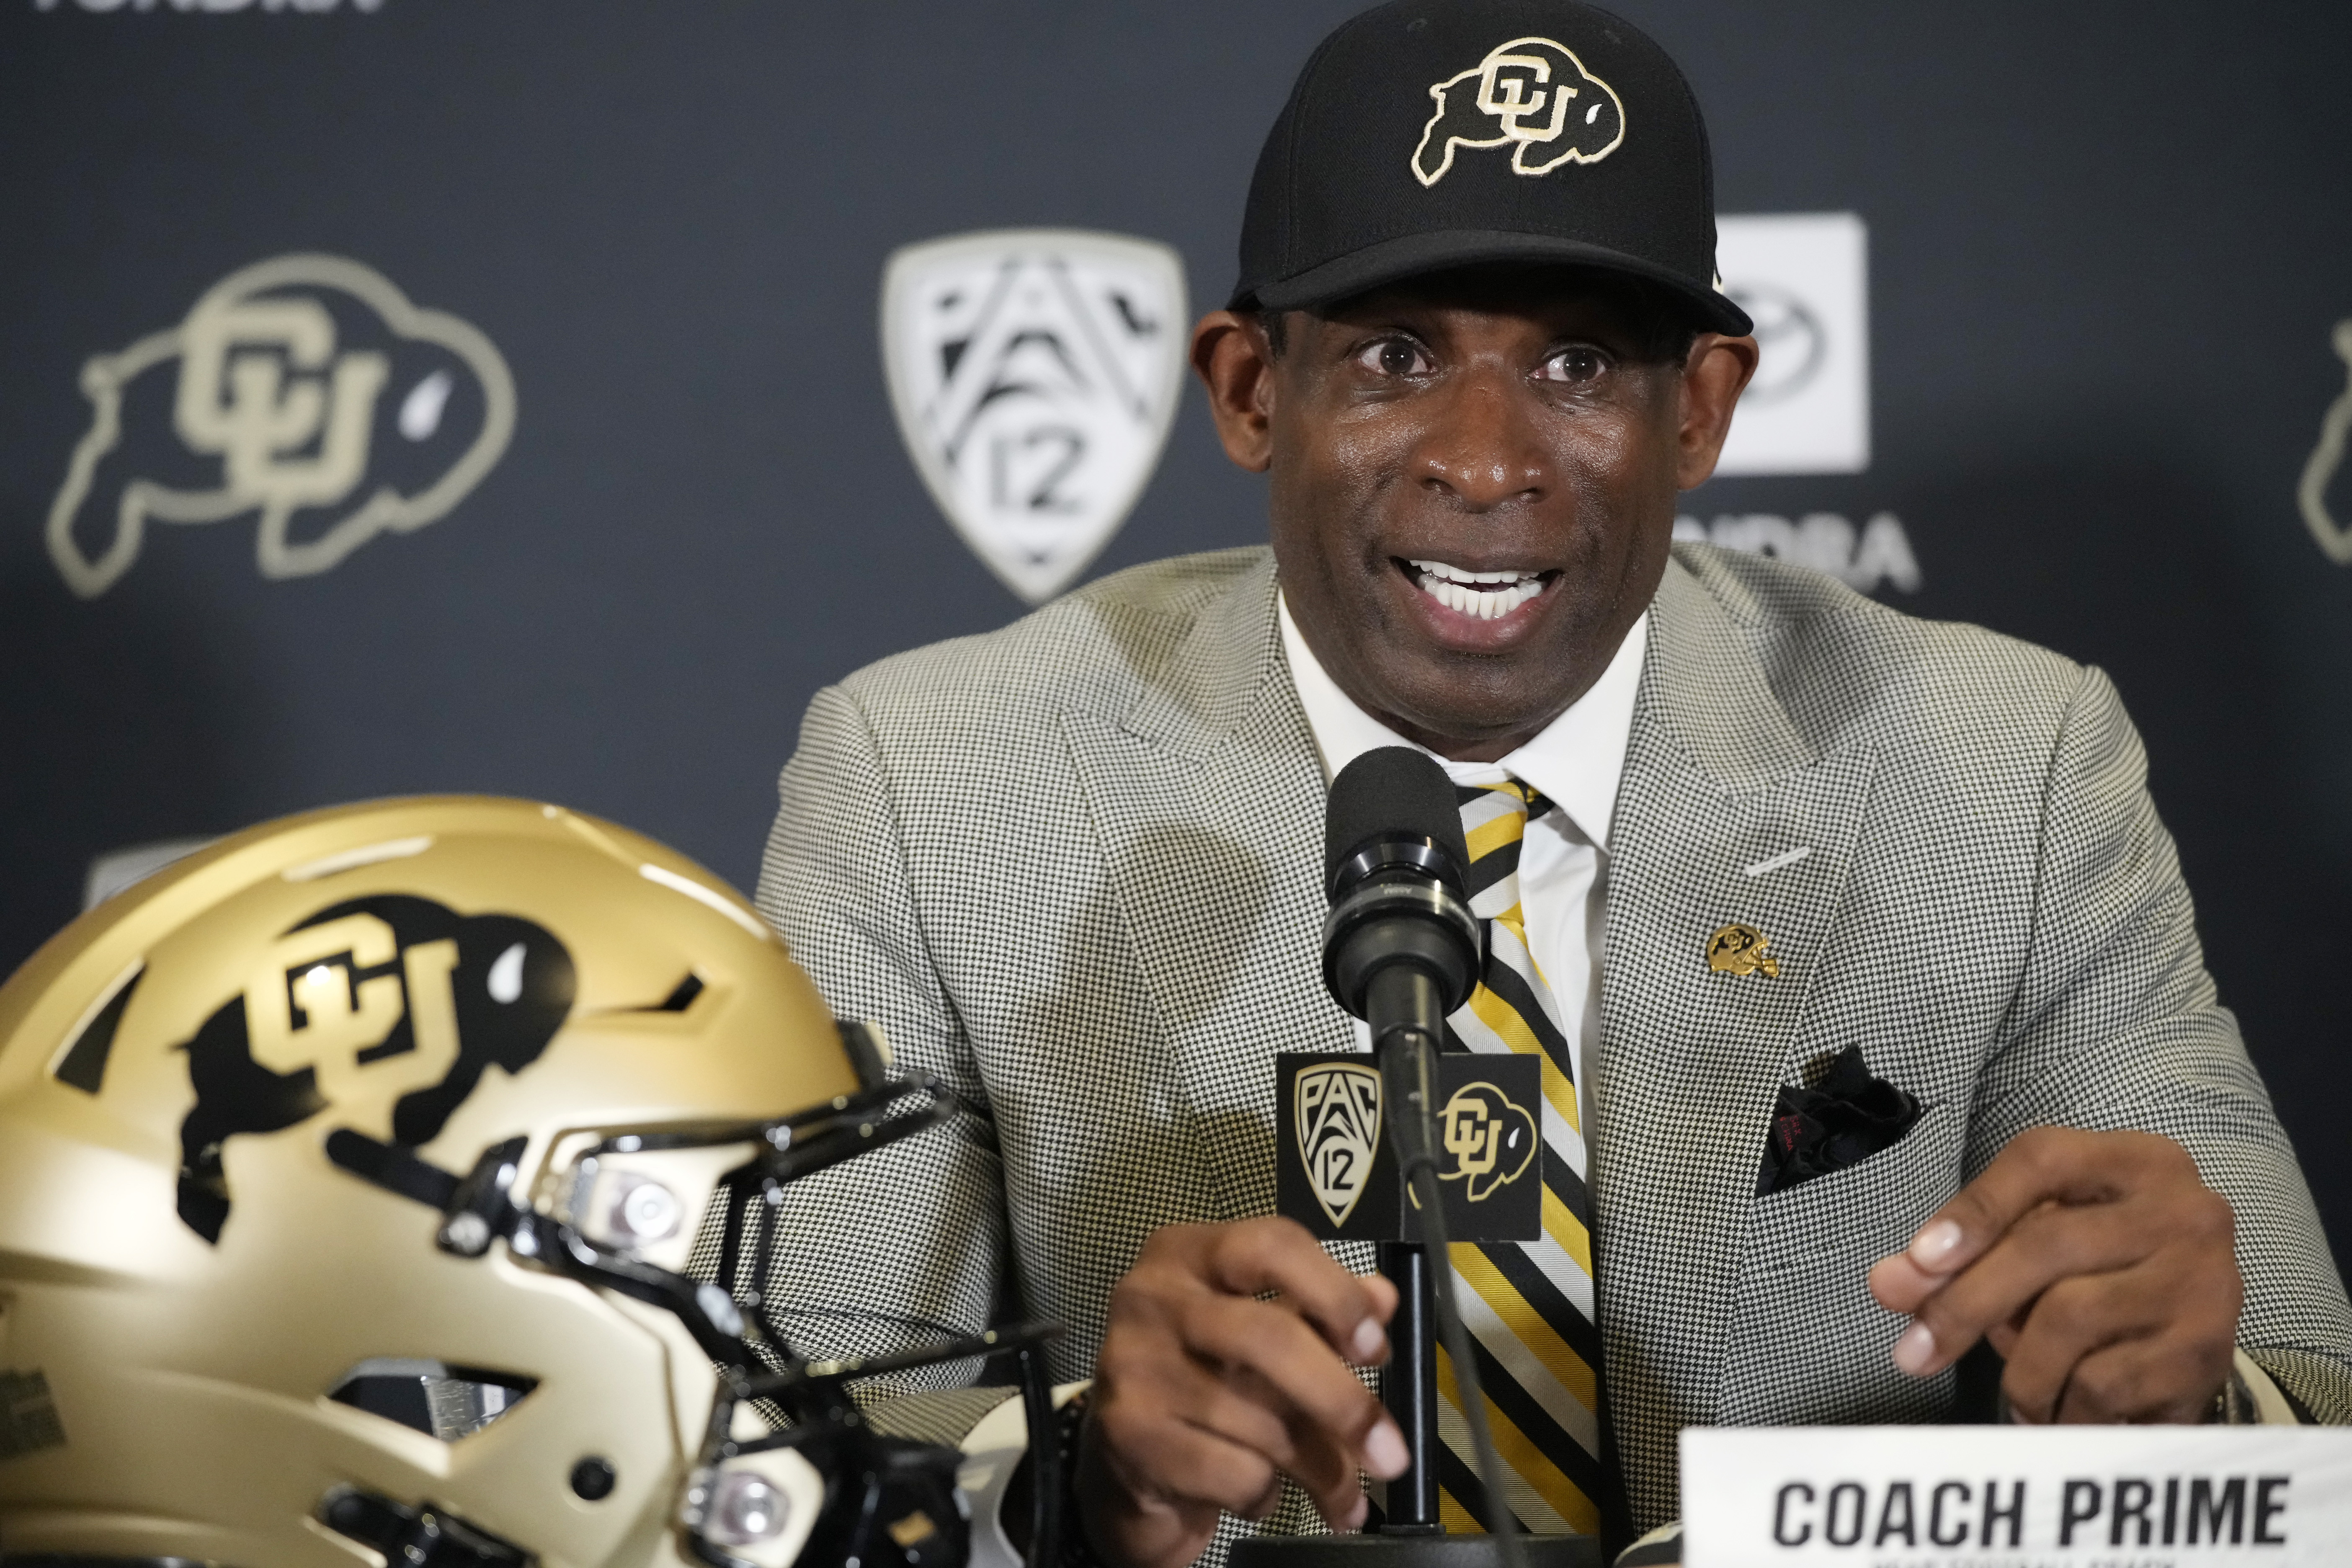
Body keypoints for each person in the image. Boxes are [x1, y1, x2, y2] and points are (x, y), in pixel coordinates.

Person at [752, 3, 2352, 1565]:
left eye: (1579, 364)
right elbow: (761, 1452)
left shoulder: (2006, 769)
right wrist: (1074, 1479)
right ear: (1251, 391)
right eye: (1394, 356)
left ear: (1700, 409)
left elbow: (2314, 1409)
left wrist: (2199, 1397)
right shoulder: (932, 788)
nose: (1488, 459)